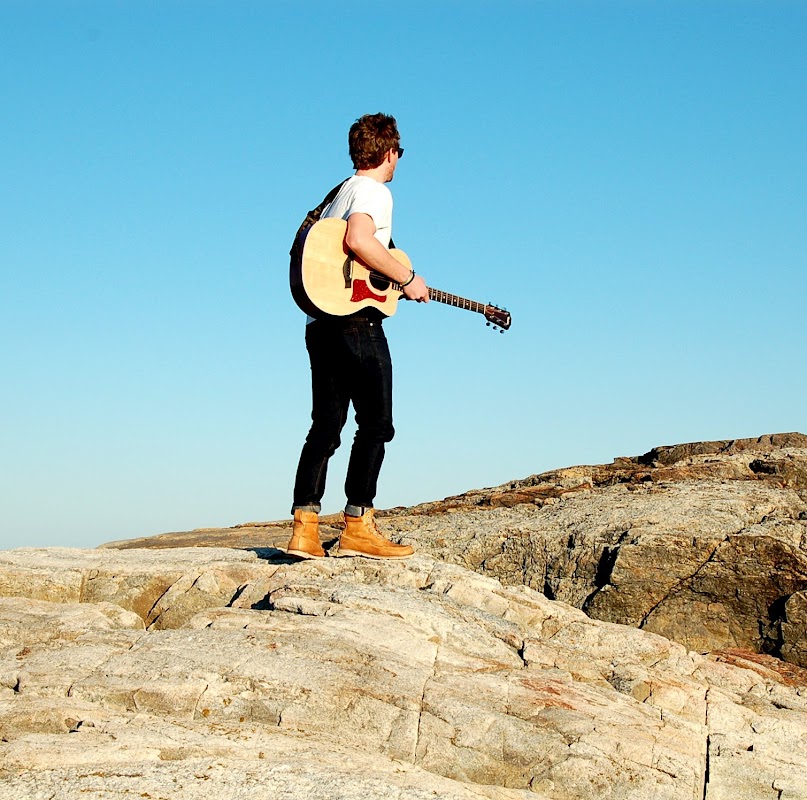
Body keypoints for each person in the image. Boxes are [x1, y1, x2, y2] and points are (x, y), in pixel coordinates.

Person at [286, 113, 429, 560]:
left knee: (326, 425)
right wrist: (407, 277)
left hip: (319, 323)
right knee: (377, 425)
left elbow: (343, 261)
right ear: (390, 152)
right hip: (356, 326)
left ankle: (305, 529)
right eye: (399, 153)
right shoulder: (373, 191)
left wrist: (389, 284)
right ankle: (357, 525)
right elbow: (360, 241)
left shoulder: (339, 193)